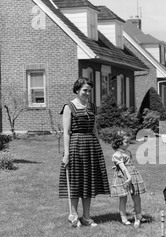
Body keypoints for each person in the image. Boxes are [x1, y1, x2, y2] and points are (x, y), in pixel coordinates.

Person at [58, 77, 110, 227]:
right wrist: (67, 153)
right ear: (77, 90)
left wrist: (98, 145)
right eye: (84, 90)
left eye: (89, 91)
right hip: (75, 145)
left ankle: (86, 216)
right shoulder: (69, 107)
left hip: (90, 146)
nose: (87, 93)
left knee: (88, 181)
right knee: (75, 181)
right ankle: (74, 215)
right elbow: (66, 132)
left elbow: (94, 128)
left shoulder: (92, 107)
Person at [110, 132, 147, 228]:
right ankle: (124, 218)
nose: (128, 143)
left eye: (129, 141)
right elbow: (123, 167)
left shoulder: (126, 152)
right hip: (123, 177)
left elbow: (127, 164)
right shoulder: (116, 154)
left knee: (137, 197)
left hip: (133, 175)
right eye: (126, 142)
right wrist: (128, 176)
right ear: (119, 142)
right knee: (123, 198)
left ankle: (139, 216)